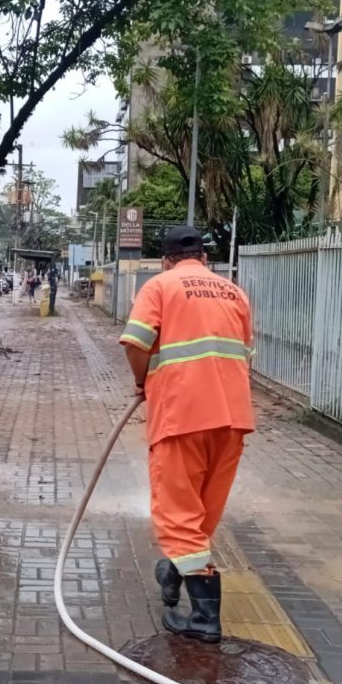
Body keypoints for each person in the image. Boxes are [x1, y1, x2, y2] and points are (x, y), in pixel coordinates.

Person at [119, 226, 254, 643]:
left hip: (182, 415)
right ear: (205, 258)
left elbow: (135, 342)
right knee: (202, 513)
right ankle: (174, 572)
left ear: (166, 259)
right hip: (232, 418)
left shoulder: (160, 286)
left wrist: (143, 381)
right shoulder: (233, 292)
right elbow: (245, 352)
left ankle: (204, 619)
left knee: (178, 515)